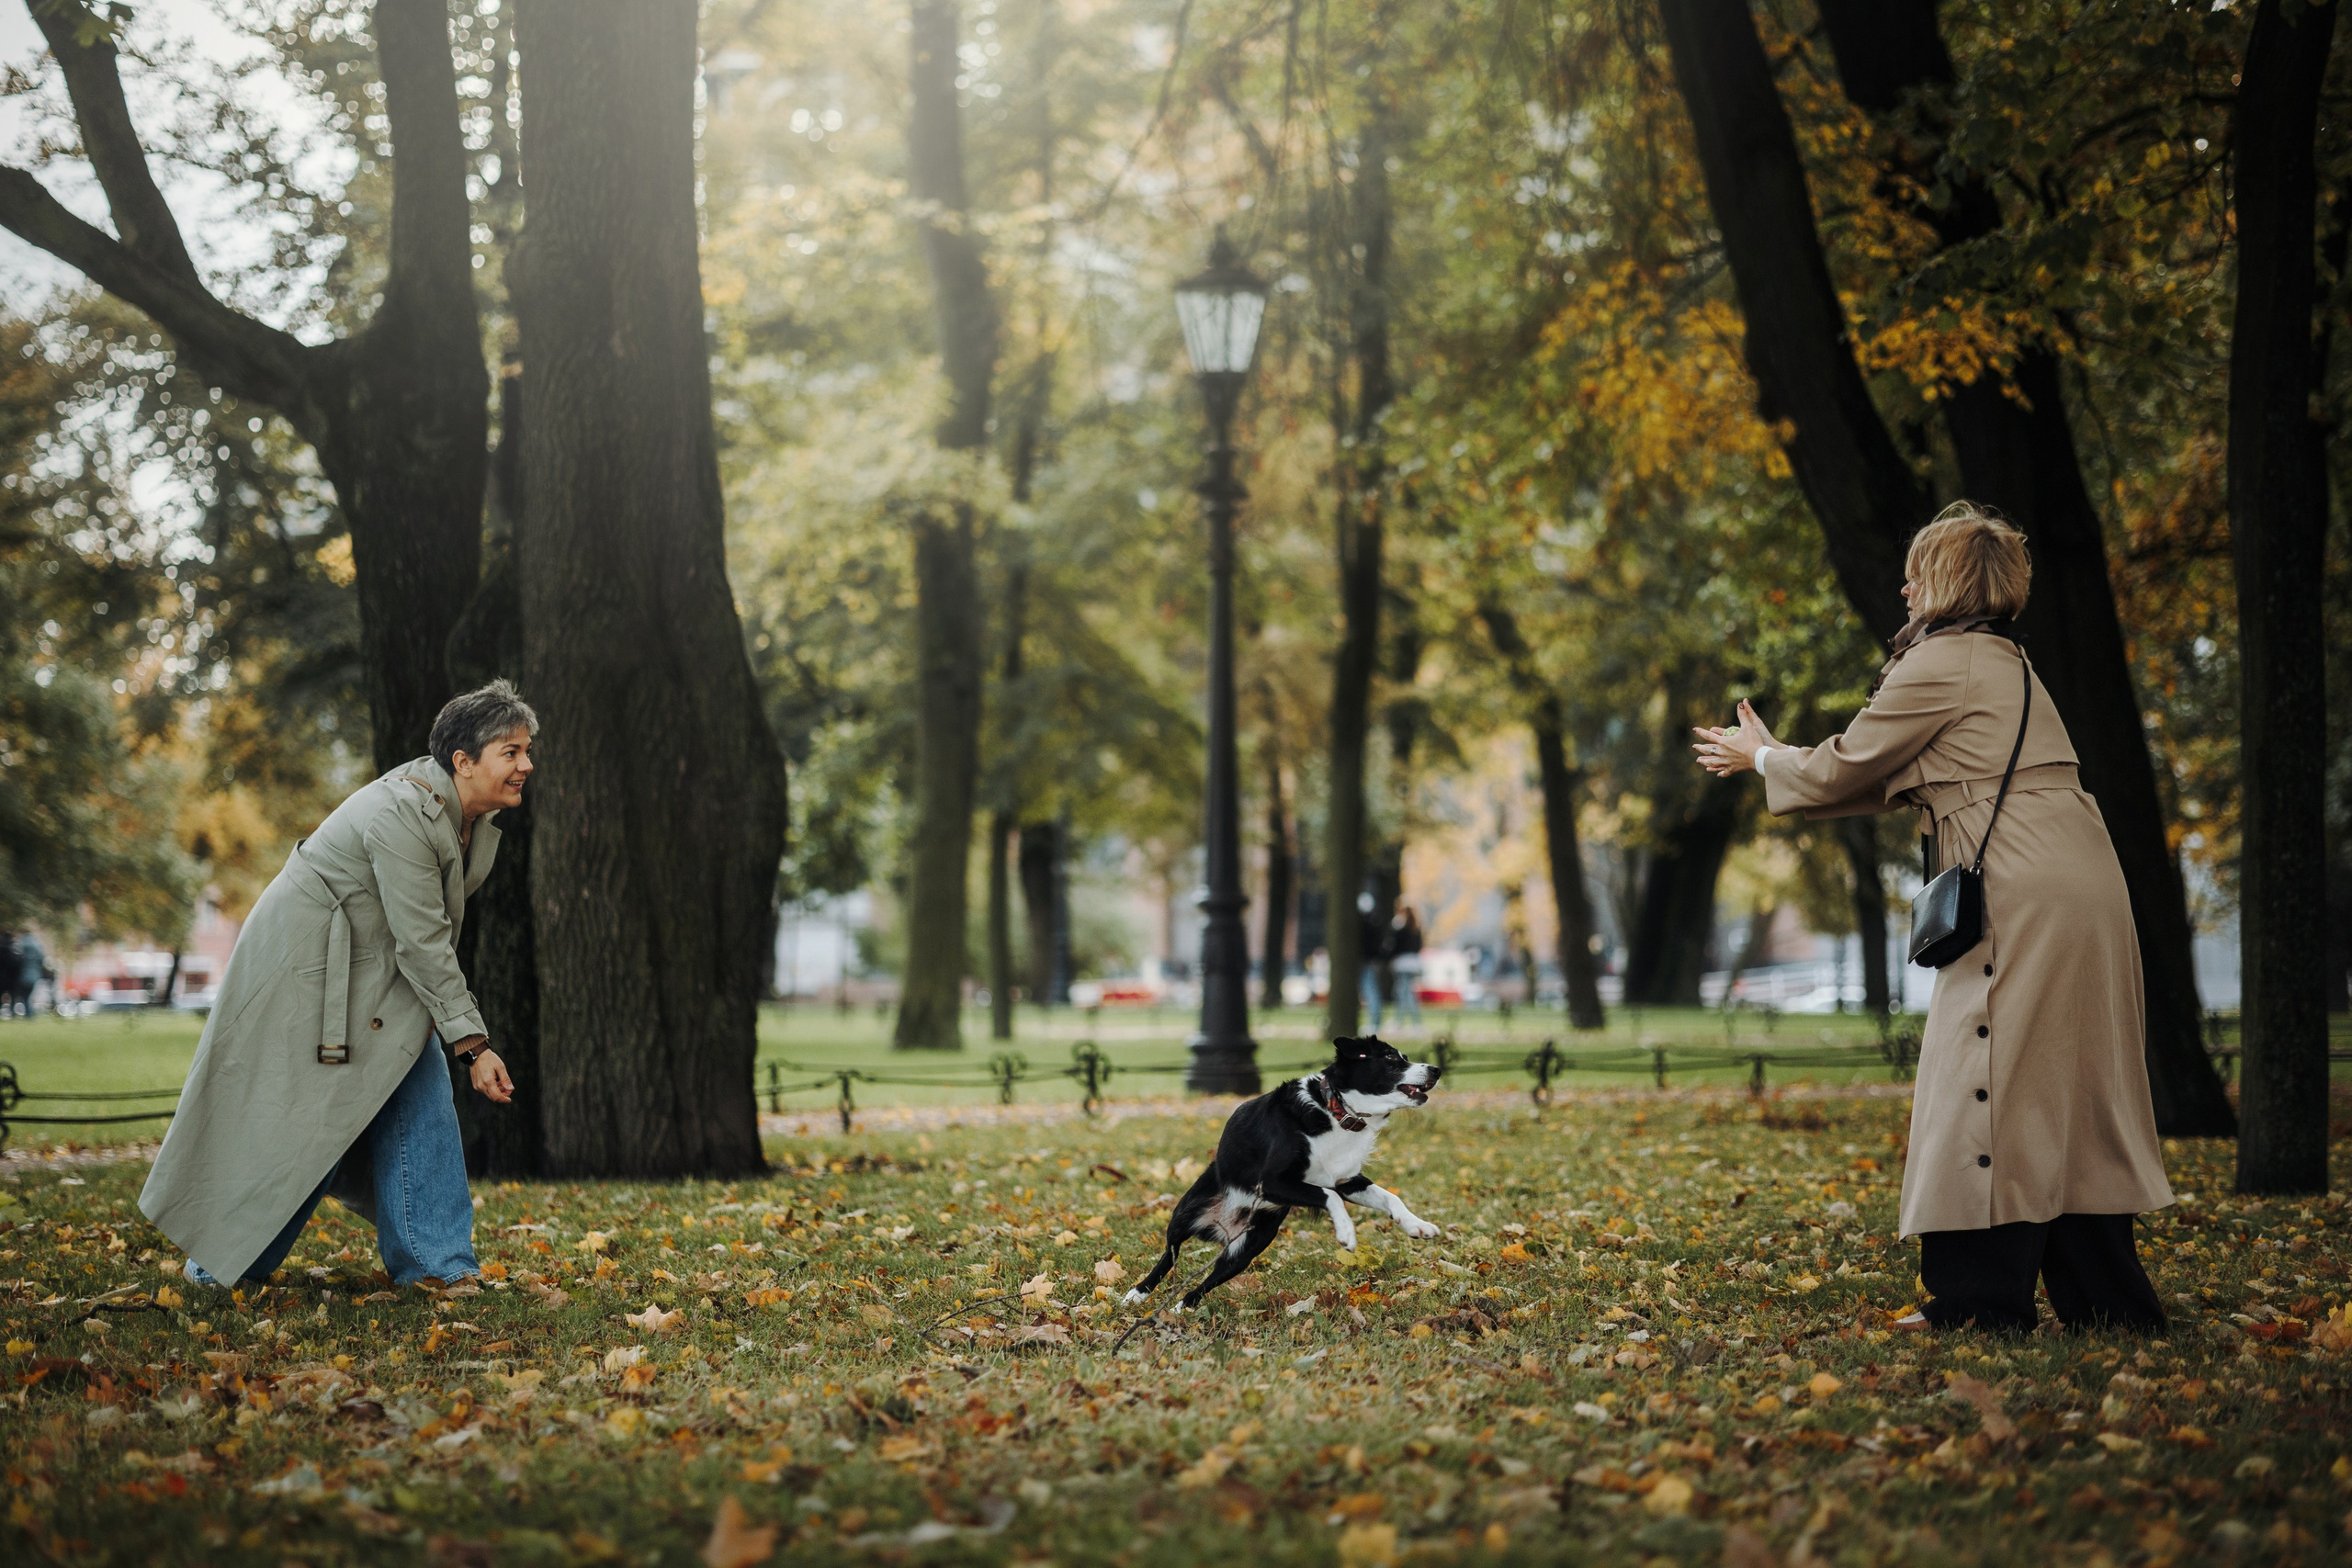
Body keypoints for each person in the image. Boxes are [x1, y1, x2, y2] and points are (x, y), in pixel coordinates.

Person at [1690, 502, 2171, 1334]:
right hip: (2080, 876)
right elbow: (1888, 778)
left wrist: (1763, 756)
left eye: (1916, 570)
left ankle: (1978, 1302)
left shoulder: (1941, 662)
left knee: (1978, 1083)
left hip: (2024, 886)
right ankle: (2109, 1304)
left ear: (1944, 581)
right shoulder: (2006, 664)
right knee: (2066, 1088)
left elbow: (1851, 765)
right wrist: (1781, 765)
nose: (1904, 584)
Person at [141, 682, 535, 1291]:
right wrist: (475, 1046)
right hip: (312, 975)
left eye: (525, 751)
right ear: (463, 759)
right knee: (315, 1126)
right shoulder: (402, 812)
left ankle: (439, 1268)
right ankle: (217, 1271)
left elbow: (415, 937)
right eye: (511, 751)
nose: (526, 765)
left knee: (419, 1095)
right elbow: (422, 939)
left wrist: (443, 1021)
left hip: (373, 978)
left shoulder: (469, 822)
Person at [1357, 893, 1393, 1031]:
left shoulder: (1366, 923)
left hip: (1367, 960)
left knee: (1370, 990)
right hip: (1373, 960)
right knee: (1372, 990)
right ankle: (1375, 1020)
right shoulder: (1376, 921)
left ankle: (1375, 1021)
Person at [1389, 905, 1425, 1028]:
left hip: (1402, 963)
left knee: (1404, 993)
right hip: (1413, 962)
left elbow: (1394, 945)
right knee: (1407, 992)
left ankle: (1406, 1021)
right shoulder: (1416, 926)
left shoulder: (1399, 925)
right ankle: (1410, 1021)